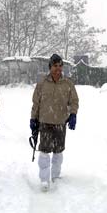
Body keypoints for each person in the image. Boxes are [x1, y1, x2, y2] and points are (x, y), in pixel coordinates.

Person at [30, 53, 79, 191]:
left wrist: (73, 114)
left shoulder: (68, 84)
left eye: (60, 66)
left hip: (60, 123)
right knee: (44, 152)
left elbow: (74, 101)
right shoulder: (42, 84)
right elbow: (36, 103)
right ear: (50, 67)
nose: (58, 68)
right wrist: (33, 118)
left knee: (58, 152)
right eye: (55, 66)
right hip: (45, 122)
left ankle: (55, 177)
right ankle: (44, 180)